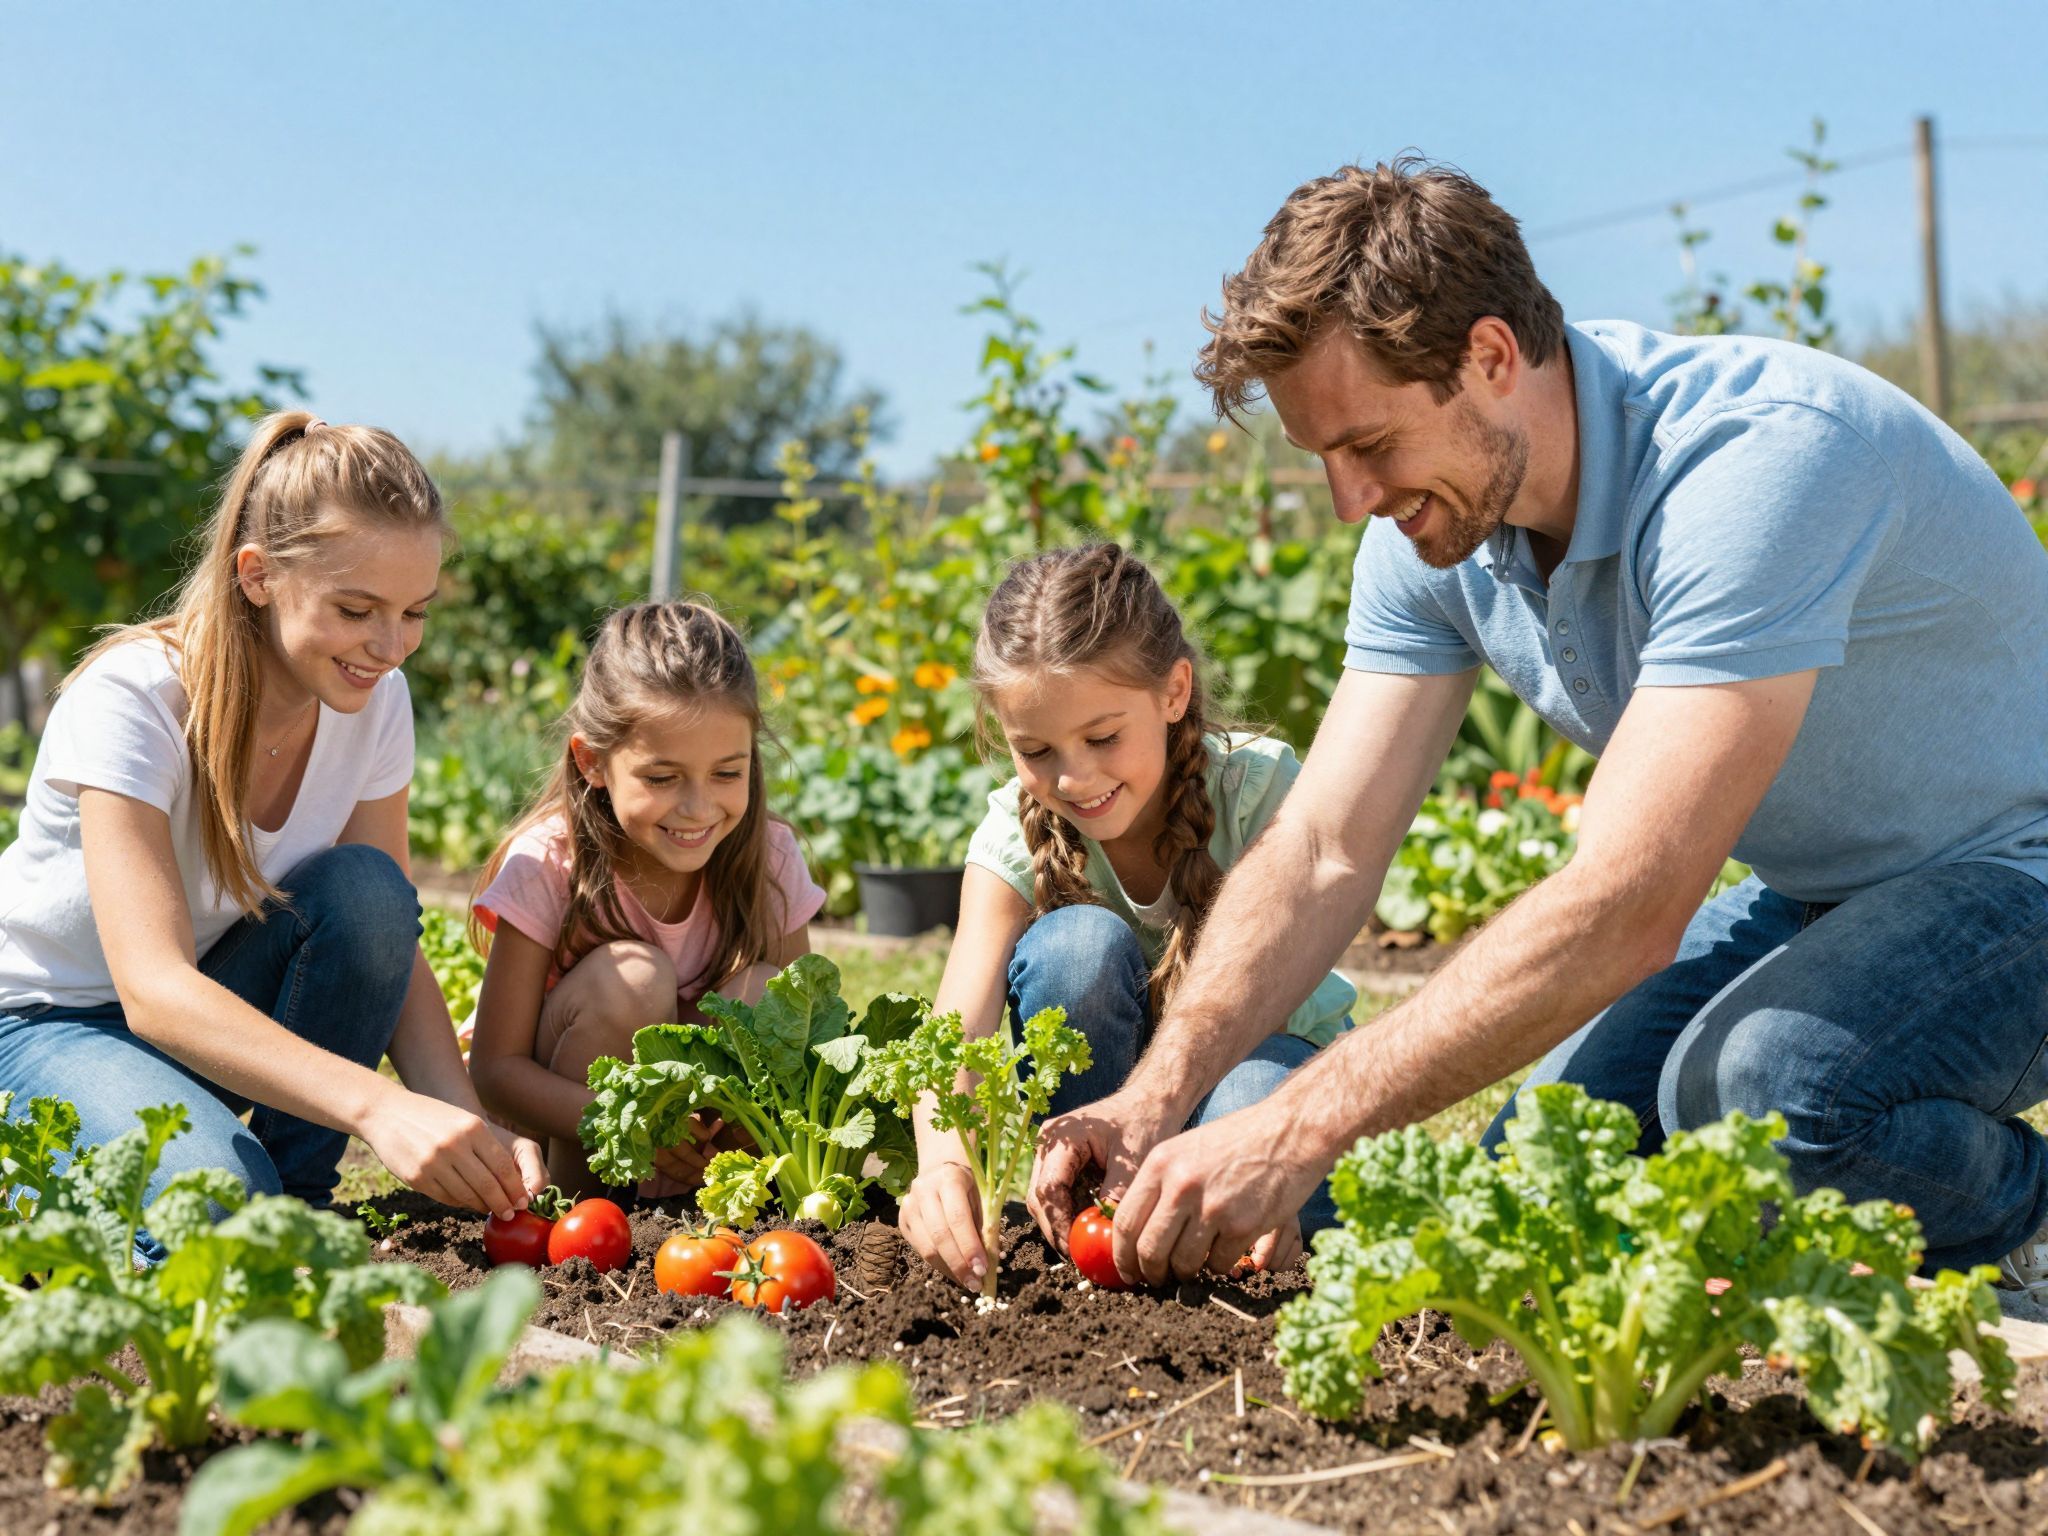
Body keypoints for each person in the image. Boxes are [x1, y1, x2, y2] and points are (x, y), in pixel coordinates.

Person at [1030, 157, 2048, 1292]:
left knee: (1764, 1093)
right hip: (1819, 893)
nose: (1347, 500)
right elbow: (1322, 850)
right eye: (1321, 458)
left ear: (1491, 357)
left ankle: (2026, 1222)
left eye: (1367, 445)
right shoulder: (1433, 533)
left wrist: (1297, 1123)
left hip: (2019, 873)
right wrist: (1154, 1094)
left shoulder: (1752, 466)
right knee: (1531, 1192)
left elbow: (1627, 901)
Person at [0, 411, 547, 1249]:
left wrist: (466, 1129)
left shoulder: (374, 705)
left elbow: (381, 941)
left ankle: (298, 1201)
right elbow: (152, 989)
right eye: (357, 608)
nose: (391, 645)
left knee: (368, 890)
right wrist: (379, 1106)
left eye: (414, 612)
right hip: (44, 1024)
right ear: (257, 575)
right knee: (215, 1206)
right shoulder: (135, 700)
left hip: (204, 1016)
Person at [898, 544, 1354, 1290]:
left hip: (1266, 1074)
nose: (1074, 778)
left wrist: (1267, 1155)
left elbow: (1277, 978)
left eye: (1103, 737)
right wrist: (943, 1164)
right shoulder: (1014, 834)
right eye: (1036, 750)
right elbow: (957, 1028)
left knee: (1246, 1100)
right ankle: (1095, 1222)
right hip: (1112, 1129)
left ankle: (1239, 1234)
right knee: (1076, 947)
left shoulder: (1261, 791)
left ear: (1175, 692)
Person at [466, 600, 825, 1199]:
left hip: (700, 1149)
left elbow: (809, 1037)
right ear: (593, 763)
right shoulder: (551, 861)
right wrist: (640, 1129)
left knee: (769, 997)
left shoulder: (769, 857)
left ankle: (719, 1212)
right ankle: (585, 1224)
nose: (698, 807)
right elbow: (495, 1073)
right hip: (578, 1128)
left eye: (727, 773)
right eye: (662, 778)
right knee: (631, 980)